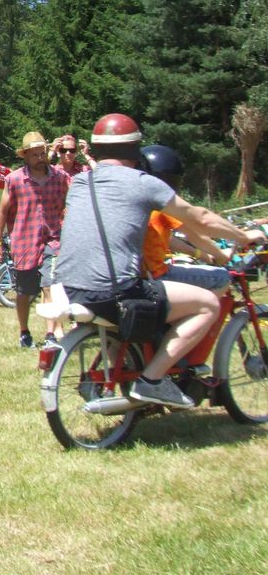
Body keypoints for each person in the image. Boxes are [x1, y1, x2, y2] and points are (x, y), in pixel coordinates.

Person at [56, 113, 258, 408]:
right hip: (115, 292)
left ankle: (143, 365)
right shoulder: (144, 183)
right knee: (208, 304)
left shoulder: (80, 182)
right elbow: (200, 218)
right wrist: (243, 236)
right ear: (134, 148)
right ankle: (152, 381)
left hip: (70, 288)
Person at [0, 131, 70, 349]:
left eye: (42, 153)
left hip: (53, 240)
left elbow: (70, 202)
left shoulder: (60, 178)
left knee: (50, 286)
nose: (39, 158)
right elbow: (2, 211)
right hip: (24, 240)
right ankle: (24, 331)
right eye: (34, 155)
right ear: (25, 156)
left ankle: (50, 335)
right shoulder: (14, 179)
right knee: (24, 292)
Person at [139, 144, 231, 293]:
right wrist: (220, 254)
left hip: (140, 276)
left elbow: (168, 240)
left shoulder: (137, 204)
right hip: (156, 276)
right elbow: (196, 235)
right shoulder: (162, 207)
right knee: (222, 277)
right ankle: (206, 308)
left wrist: (201, 255)